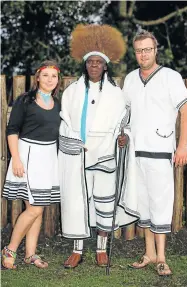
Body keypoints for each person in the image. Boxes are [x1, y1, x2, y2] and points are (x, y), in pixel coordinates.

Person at [59, 24, 139, 269]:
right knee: (79, 201)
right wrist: (75, 144)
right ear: (86, 64)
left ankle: (101, 248)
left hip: (106, 155)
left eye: (98, 62)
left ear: (105, 65)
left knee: (104, 202)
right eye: (90, 62)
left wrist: (123, 138)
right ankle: (77, 249)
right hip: (80, 155)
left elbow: (124, 123)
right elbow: (65, 121)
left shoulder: (117, 93)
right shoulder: (72, 91)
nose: (94, 66)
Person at [122, 29, 187, 276]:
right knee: (144, 204)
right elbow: (126, 115)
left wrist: (182, 146)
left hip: (161, 150)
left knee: (161, 204)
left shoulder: (171, 77)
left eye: (147, 49)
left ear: (155, 50)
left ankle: (162, 257)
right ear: (135, 52)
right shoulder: (130, 79)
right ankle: (149, 254)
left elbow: (186, 111)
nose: (143, 54)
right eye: (139, 50)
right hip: (136, 152)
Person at [1, 60, 61, 270]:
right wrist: (16, 158)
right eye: (45, 75)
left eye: (53, 76)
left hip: (48, 157)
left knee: (38, 208)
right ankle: (10, 249)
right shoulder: (25, 100)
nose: (49, 79)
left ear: (57, 79)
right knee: (34, 208)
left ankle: (30, 254)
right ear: (37, 77)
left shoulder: (58, 104)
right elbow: (12, 130)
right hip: (28, 156)